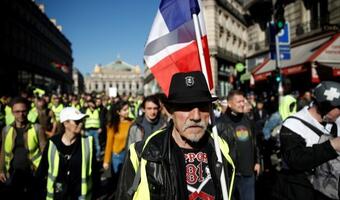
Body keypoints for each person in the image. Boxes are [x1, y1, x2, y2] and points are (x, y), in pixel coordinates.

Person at [116, 71, 235, 200]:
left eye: (202, 106)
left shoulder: (221, 148)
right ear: (170, 111)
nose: (196, 116)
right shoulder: (143, 153)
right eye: (185, 107)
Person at [272, 81, 340, 200]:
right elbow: (295, 160)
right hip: (297, 191)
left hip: (326, 190)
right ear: (327, 107)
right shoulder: (292, 125)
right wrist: (332, 146)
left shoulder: (332, 123)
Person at [36, 107, 100, 200]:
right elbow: (42, 169)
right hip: (58, 193)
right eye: (77, 121)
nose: (81, 124)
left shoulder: (88, 142)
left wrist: (96, 192)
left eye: (82, 120)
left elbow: (94, 171)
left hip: (80, 195)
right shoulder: (53, 143)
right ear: (65, 123)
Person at [216, 90, 260, 200]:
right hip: (231, 174)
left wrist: (257, 161)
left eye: (243, 101)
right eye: (238, 102)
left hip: (248, 173)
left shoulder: (248, 120)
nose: (242, 104)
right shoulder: (220, 123)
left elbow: (255, 142)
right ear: (229, 104)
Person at [0, 97, 46, 199]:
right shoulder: (6, 130)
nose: (21, 114)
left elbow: (45, 151)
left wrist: (43, 171)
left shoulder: (37, 128)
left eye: (23, 111)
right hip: (12, 174)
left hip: (32, 173)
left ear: (28, 111)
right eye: (17, 112)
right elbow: (3, 151)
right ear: (12, 112)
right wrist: (1, 170)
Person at [103, 100, 132, 191]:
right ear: (118, 112)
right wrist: (106, 161)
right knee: (117, 181)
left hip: (129, 155)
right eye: (124, 110)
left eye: (128, 109)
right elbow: (109, 144)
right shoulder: (112, 125)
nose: (127, 111)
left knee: (127, 181)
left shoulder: (132, 123)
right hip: (117, 156)